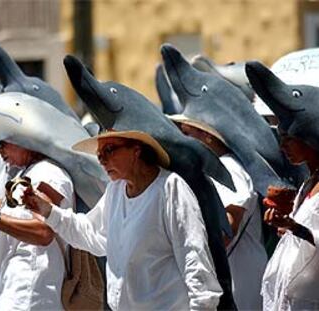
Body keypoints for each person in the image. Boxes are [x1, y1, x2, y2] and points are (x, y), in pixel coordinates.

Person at [23, 129, 222, 310]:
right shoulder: (115, 190)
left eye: (109, 150)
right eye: (99, 155)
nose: (102, 159)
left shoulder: (170, 189)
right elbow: (91, 234)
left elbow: (193, 257)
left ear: (136, 150)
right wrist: (47, 210)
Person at [0, 139, 74, 311]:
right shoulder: (29, 172)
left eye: (2, 143)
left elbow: (43, 232)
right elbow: (13, 222)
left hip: (30, 289)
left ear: (24, 137)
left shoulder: (50, 173)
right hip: (15, 286)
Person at [169, 115, 267, 310]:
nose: (181, 138)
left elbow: (228, 229)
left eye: (186, 133)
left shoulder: (230, 168)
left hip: (239, 276)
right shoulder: (217, 169)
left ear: (207, 136)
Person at [261, 132, 319, 310]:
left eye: (289, 139)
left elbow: (310, 234)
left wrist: (294, 227)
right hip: (289, 291)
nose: (282, 147)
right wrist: (287, 228)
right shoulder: (308, 183)